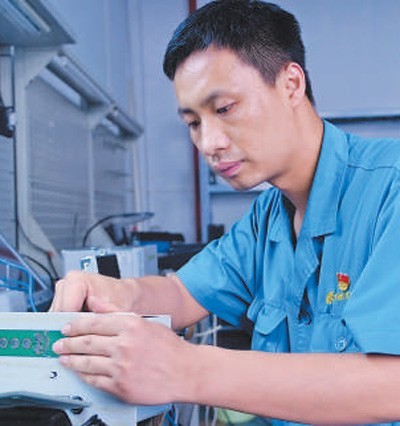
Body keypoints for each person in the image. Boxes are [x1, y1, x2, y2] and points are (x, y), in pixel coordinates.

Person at [50, 1, 400, 424]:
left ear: (291, 84)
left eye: (224, 109)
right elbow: (182, 294)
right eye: (193, 123)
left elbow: (391, 387)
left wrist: (185, 368)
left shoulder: (390, 190)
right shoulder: (265, 219)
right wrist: (117, 294)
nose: (209, 143)